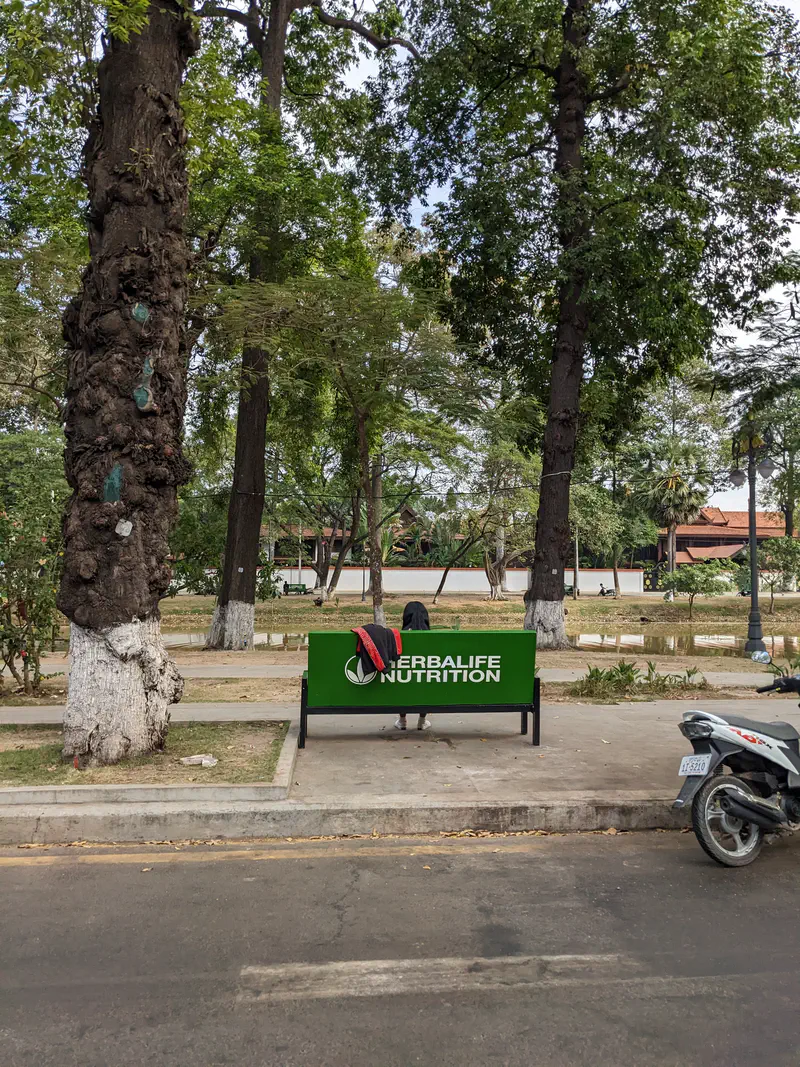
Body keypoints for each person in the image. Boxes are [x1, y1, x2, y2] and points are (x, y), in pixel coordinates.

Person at [396, 601, 431, 732]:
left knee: (403, 683)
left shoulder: (400, 636)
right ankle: (422, 722)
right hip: (425, 679)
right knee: (425, 682)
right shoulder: (431, 637)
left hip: (404, 678)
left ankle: (402, 721)